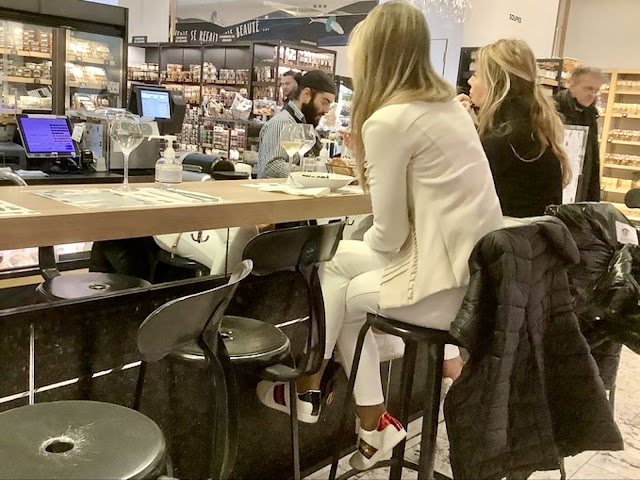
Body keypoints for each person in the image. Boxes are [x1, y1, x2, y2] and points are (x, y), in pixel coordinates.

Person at [257, 0, 504, 470]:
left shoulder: (390, 120)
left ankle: (311, 385)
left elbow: (389, 237)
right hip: (476, 275)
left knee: (338, 274)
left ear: (372, 56)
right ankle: (367, 424)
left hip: (443, 284)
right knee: (340, 273)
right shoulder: (447, 108)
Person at [460, 39, 571, 218]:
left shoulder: (502, 141)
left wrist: (458, 131)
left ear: (495, 83)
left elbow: (464, 202)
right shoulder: (534, 132)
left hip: (500, 243)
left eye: (477, 74)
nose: (471, 81)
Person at [257, 70, 335, 178]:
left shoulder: (307, 124)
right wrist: (306, 172)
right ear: (306, 94)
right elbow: (271, 166)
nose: (326, 110)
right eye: (324, 103)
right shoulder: (282, 123)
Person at [556, 66, 606, 202]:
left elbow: (593, 158)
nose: (593, 94)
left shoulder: (590, 115)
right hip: (558, 183)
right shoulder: (553, 110)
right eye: (589, 88)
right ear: (572, 84)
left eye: (596, 90)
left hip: (581, 185)